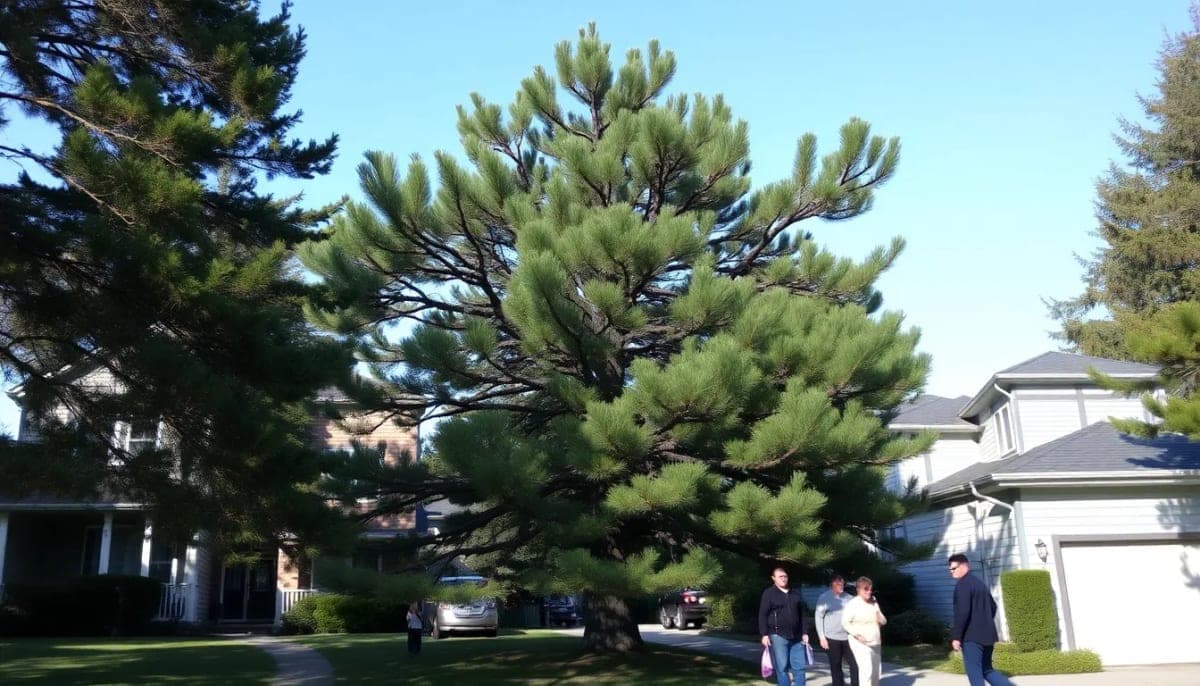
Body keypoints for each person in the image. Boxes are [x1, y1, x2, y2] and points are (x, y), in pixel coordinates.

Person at [948, 554, 1014, 686]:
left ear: (965, 566)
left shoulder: (963, 585)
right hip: (988, 635)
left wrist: (956, 637)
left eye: (954, 568)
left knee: (975, 674)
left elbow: (963, 612)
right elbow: (993, 606)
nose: (951, 571)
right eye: (950, 569)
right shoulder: (979, 583)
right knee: (987, 670)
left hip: (972, 638)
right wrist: (984, 622)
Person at [758, 566, 810, 686]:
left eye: (785, 576)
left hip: (797, 637)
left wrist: (805, 632)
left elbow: (803, 614)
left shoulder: (795, 593)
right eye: (780, 576)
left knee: (800, 668)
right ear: (773, 578)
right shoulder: (769, 593)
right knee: (782, 668)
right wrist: (764, 634)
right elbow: (762, 615)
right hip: (778, 636)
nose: (783, 578)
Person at [815, 574, 859, 686]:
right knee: (836, 665)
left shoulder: (849, 598)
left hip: (848, 637)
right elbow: (818, 617)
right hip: (832, 638)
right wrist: (822, 637)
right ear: (832, 584)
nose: (841, 585)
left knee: (854, 664)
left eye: (842, 583)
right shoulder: (824, 598)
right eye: (838, 583)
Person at [841, 576, 886, 686]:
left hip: (875, 641)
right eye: (866, 589)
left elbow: (884, 621)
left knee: (876, 672)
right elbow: (845, 622)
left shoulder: (873, 602)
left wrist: (878, 614)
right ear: (859, 590)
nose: (869, 592)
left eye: (870, 589)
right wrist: (856, 635)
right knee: (867, 670)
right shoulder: (853, 604)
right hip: (860, 642)